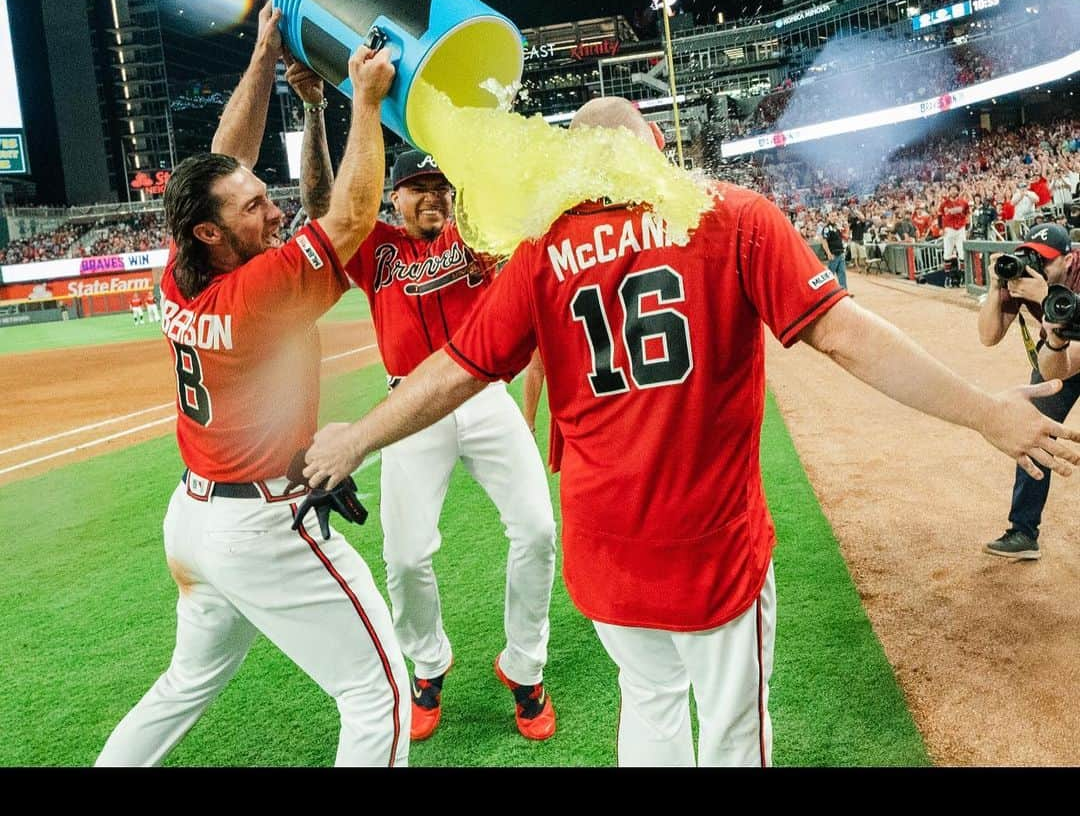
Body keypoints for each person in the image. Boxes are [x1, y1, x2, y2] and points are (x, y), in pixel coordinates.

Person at [301, 97, 1080, 768]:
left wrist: (357, 437)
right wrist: (985, 410)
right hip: (710, 551)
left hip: (606, 555)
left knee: (648, 706)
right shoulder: (730, 214)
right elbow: (846, 339)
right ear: (657, 151)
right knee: (737, 736)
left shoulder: (541, 251)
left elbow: (452, 370)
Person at [95, 2, 411, 767]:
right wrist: (362, 102)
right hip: (261, 525)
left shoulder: (180, 270)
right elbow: (354, 216)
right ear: (211, 232)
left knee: (184, 683)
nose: (273, 211)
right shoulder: (259, 295)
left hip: (195, 520)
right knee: (378, 697)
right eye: (255, 208)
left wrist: (265, 51)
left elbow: (219, 162)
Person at [299, 138, 556, 742]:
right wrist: (311, 111)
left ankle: (525, 669)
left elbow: (496, 188)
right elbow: (319, 203)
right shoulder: (375, 249)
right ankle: (428, 666)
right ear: (396, 197)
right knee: (406, 554)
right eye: (420, 188)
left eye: (442, 187)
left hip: (482, 391)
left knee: (539, 531)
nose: (434, 197)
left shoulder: (472, 233)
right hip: (409, 406)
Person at [978, 223, 1080, 561]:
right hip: (1060, 350)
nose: (1035, 266)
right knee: (1033, 427)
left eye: (1045, 260)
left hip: (1071, 350)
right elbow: (988, 336)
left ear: (1069, 259)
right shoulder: (1025, 280)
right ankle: (1023, 531)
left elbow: (1070, 364)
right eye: (1031, 256)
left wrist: (1047, 298)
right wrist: (997, 288)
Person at [938, 184, 971, 288]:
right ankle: (947, 278)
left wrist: (968, 228)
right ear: (949, 191)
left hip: (960, 228)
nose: (953, 191)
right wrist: (940, 229)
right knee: (947, 253)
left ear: (958, 191)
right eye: (951, 189)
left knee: (962, 254)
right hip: (948, 229)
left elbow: (967, 214)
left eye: (955, 189)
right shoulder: (944, 204)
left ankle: (963, 277)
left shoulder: (963, 202)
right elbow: (939, 216)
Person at [819, 212, 848, 291]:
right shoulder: (827, 228)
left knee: (842, 273)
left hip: (840, 253)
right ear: (828, 217)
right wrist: (828, 253)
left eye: (835, 216)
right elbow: (824, 240)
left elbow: (843, 237)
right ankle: (827, 291)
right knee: (830, 274)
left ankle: (844, 291)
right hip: (833, 254)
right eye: (832, 216)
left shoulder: (837, 227)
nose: (834, 217)